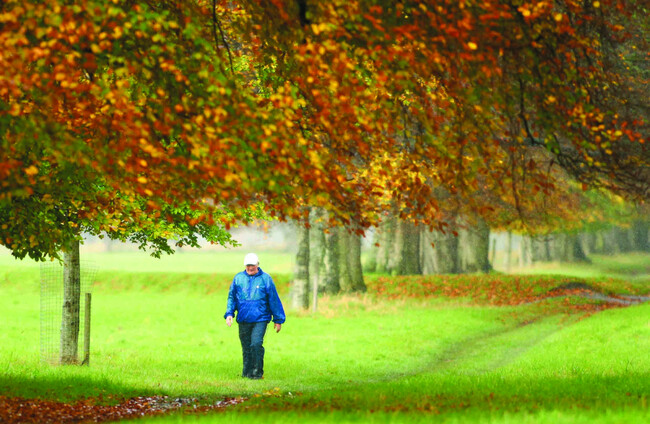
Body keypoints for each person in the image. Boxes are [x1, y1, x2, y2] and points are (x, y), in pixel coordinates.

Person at [224, 252, 285, 379]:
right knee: (246, 347)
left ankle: (257, 373)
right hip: (244, 318)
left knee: (256, 344)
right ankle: (247, 373)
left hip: (260, 318)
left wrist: (278, 319)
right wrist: (229, 313)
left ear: (257, 264)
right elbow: (232, 297)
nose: (250, 268)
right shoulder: (238, 278)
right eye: (248, 265)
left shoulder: (266, 279)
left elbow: (273, 299)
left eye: (252, 265)